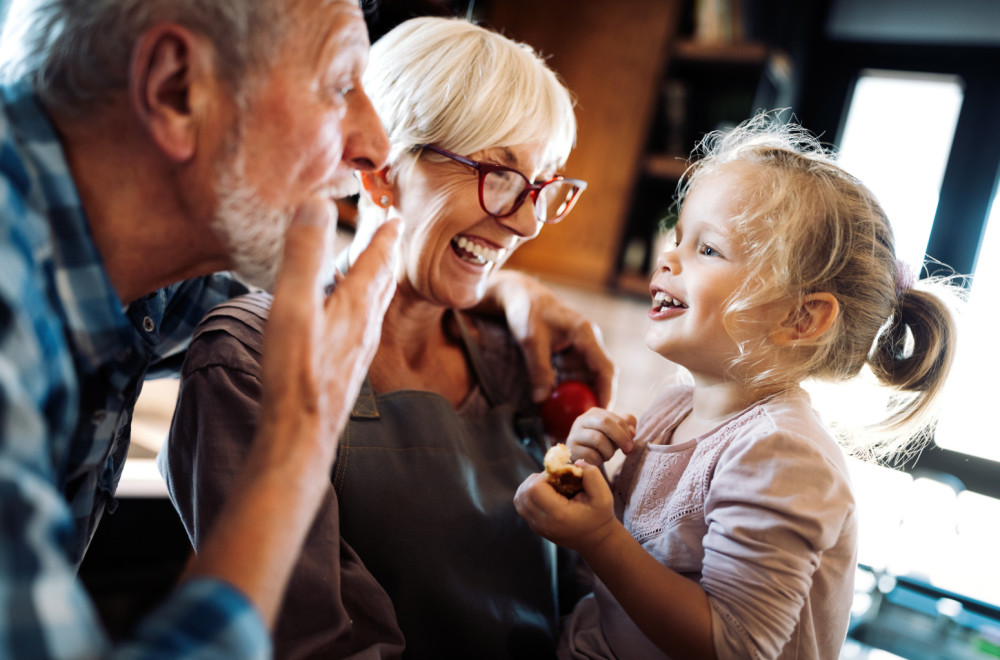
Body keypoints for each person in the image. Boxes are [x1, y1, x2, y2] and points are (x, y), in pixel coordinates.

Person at [0, 1, 612, 657]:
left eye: (540, 190)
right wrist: (293, 451)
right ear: (178, 90)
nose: (370, 151)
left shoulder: (134, 289)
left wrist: (491, 283)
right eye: (340, 86)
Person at [515, 113, 963, 659]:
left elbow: (735, 645)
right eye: (679, 237)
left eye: (708, 250)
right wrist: (590, 482)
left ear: (801, 319)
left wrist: (599, 535)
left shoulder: (783, 453)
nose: (668, 257)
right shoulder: (673, 406)